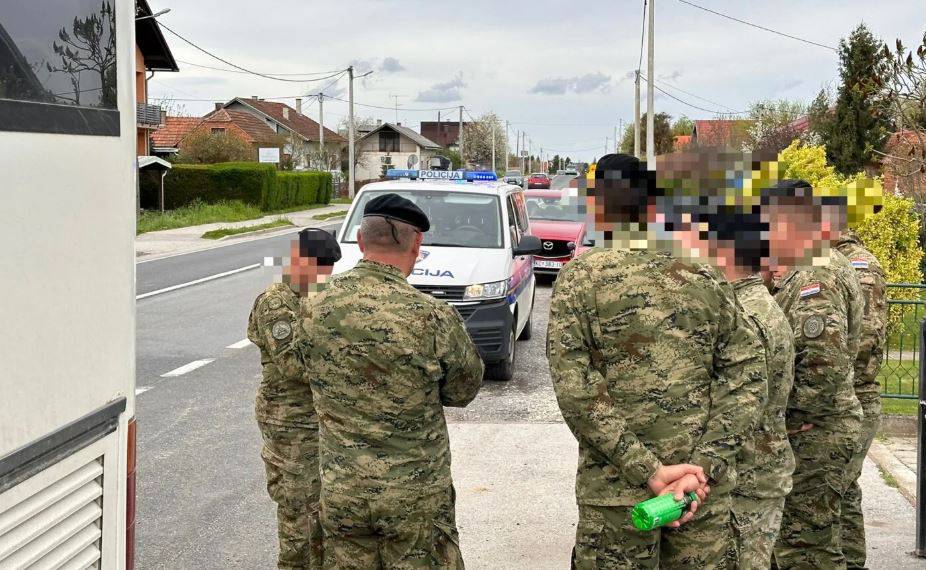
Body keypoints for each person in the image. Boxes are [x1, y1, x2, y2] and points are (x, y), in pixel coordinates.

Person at [549, 153, 767, 568]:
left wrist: (647, 470)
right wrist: (702, 468)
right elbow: (747, 374)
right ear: (653, 208)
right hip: (699, 496)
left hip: (618, 495)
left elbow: (576, 390)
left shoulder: (580, 280)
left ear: (596, 206)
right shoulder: (704, 274)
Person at [298, 193, 484, 569]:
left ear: (362, 241)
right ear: (417, 244)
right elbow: (463, 390)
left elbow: (303, 368)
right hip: (413, 494)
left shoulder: (312, 304)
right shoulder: (431, 315)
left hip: (342, 489)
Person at [769, 181, 864, 569]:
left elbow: (821, 360)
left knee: (805, 549)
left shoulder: (816, 274)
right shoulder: (814, 263)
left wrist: (791, 419)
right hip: (820, 427)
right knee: (816, 538)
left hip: (816, 431)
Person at [248, 228, 342, 570]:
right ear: (300, 261)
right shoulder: (276, 302)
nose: (324, 281)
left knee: (321, 508)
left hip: (316, 419)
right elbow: (292, 363)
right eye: (320, 272)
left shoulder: (315, 297)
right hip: (288, 422)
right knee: (297, 513)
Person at [834, 228, 888, 569]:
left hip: (853, 394)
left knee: (832, 492)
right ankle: (852, 562)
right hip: (847, 395)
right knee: (844, 490)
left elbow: (864, 340)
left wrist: (830, 392)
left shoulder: (857, 265)